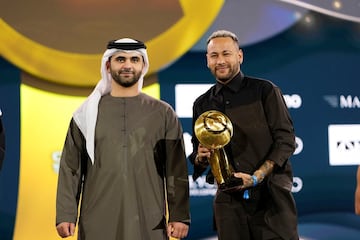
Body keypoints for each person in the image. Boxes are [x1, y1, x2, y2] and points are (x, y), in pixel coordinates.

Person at [56, 38, 190, 240]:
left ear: (143, 65)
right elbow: (70, 168)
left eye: (135, 59)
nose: (128, 65)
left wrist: (179, 216)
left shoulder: (163, 113)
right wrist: (66, 214)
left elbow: (176, 168)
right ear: (108, 65)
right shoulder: (85, 114)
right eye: (121, 59)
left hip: (148, 219)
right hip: (97, 220)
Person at [189, 30, 299, 240]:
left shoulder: (265, 91)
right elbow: (197, 158)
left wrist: (256, 177)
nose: (220, 60)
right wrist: (200, 157)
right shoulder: (202, 104)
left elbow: (286, 141)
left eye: (226, 54)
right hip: (229, 208)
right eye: (214, 55)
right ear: (207, 60)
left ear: (239, 56)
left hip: (271, 202)